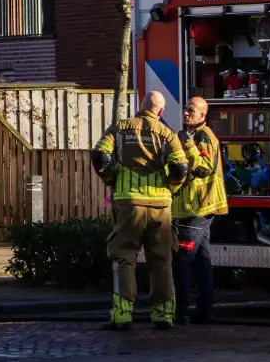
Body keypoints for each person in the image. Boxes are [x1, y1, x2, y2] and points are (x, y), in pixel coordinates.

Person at [91, 91, 190, 330]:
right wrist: (170, 188)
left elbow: (100, 155)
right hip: (161, 208)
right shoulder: (167, 134)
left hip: (129, 205)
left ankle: (123, 315)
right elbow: (181, 167)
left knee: (124, 257)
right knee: (162, 260)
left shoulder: (120, 128)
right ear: (161, 111)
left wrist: (111, 178)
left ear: (140, 107)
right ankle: (163, 315)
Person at [171, 96, 228, 325]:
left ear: (203, 116)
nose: (186, 113)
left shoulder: (203, 138)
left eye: (191, 110)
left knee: (183, 258)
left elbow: (203, 170)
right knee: (203, 260)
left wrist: (188, 146)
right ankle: (204, 310)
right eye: (185, 109)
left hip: (196, 209)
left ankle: (180, 311)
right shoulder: (189, 135)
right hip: (197, 208)